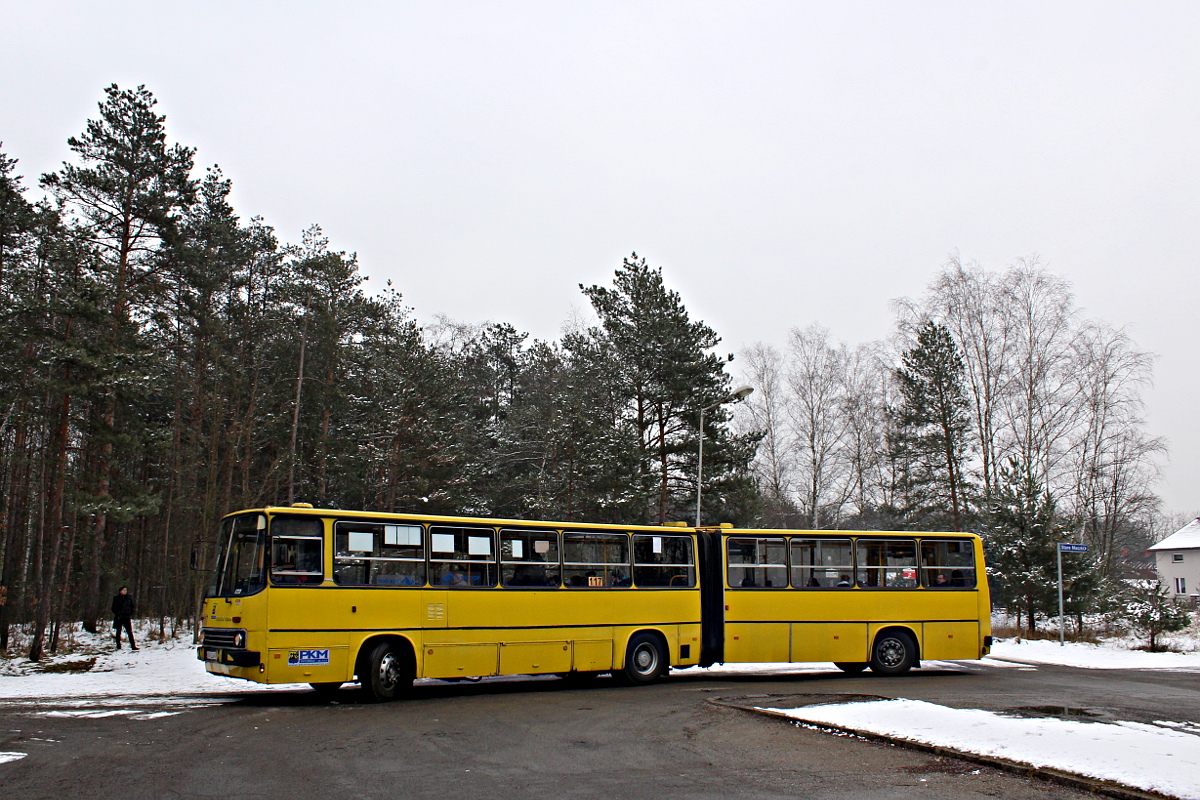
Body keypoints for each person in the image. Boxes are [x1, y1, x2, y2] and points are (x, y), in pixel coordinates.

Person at [111, 586, 137, 650]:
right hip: (119, 617)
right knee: (118, 632)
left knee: (129, 632)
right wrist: (118, 613)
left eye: (126, 590)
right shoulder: (116, 598)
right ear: (120, 591)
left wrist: (130, 613)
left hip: (127, 617)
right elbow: (113, 608)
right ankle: (118, 646)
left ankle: (133, 646)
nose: (125, 591)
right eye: (124, 590)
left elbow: (132, 606)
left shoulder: (129, 598)